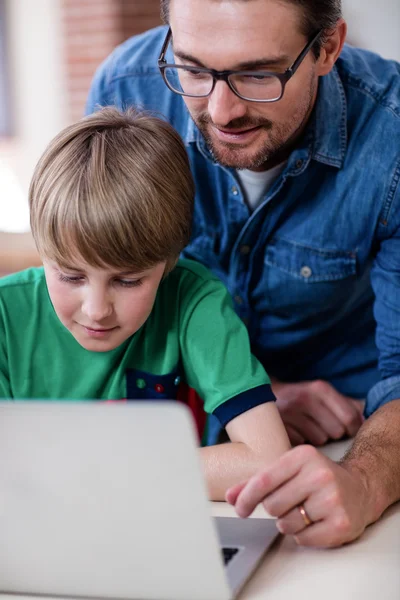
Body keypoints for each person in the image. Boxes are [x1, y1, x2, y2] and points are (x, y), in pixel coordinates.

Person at [85, 0, 400, 546]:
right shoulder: (128, 89)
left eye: (258, 74)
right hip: (192, 430)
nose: (221, 111)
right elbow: (107, 310)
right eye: (194, 69)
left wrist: (363, 480)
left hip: (346, 440)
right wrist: (249, 398)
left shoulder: (391, 135)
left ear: (327, 48)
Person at [0, 107, 291, 500]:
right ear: (42, 249)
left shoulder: (193, 301)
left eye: (128, 280)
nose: (97, 309)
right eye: (71, 276)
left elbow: (269, 460)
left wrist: (87, 468)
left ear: (168, 263)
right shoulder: (6, 313)